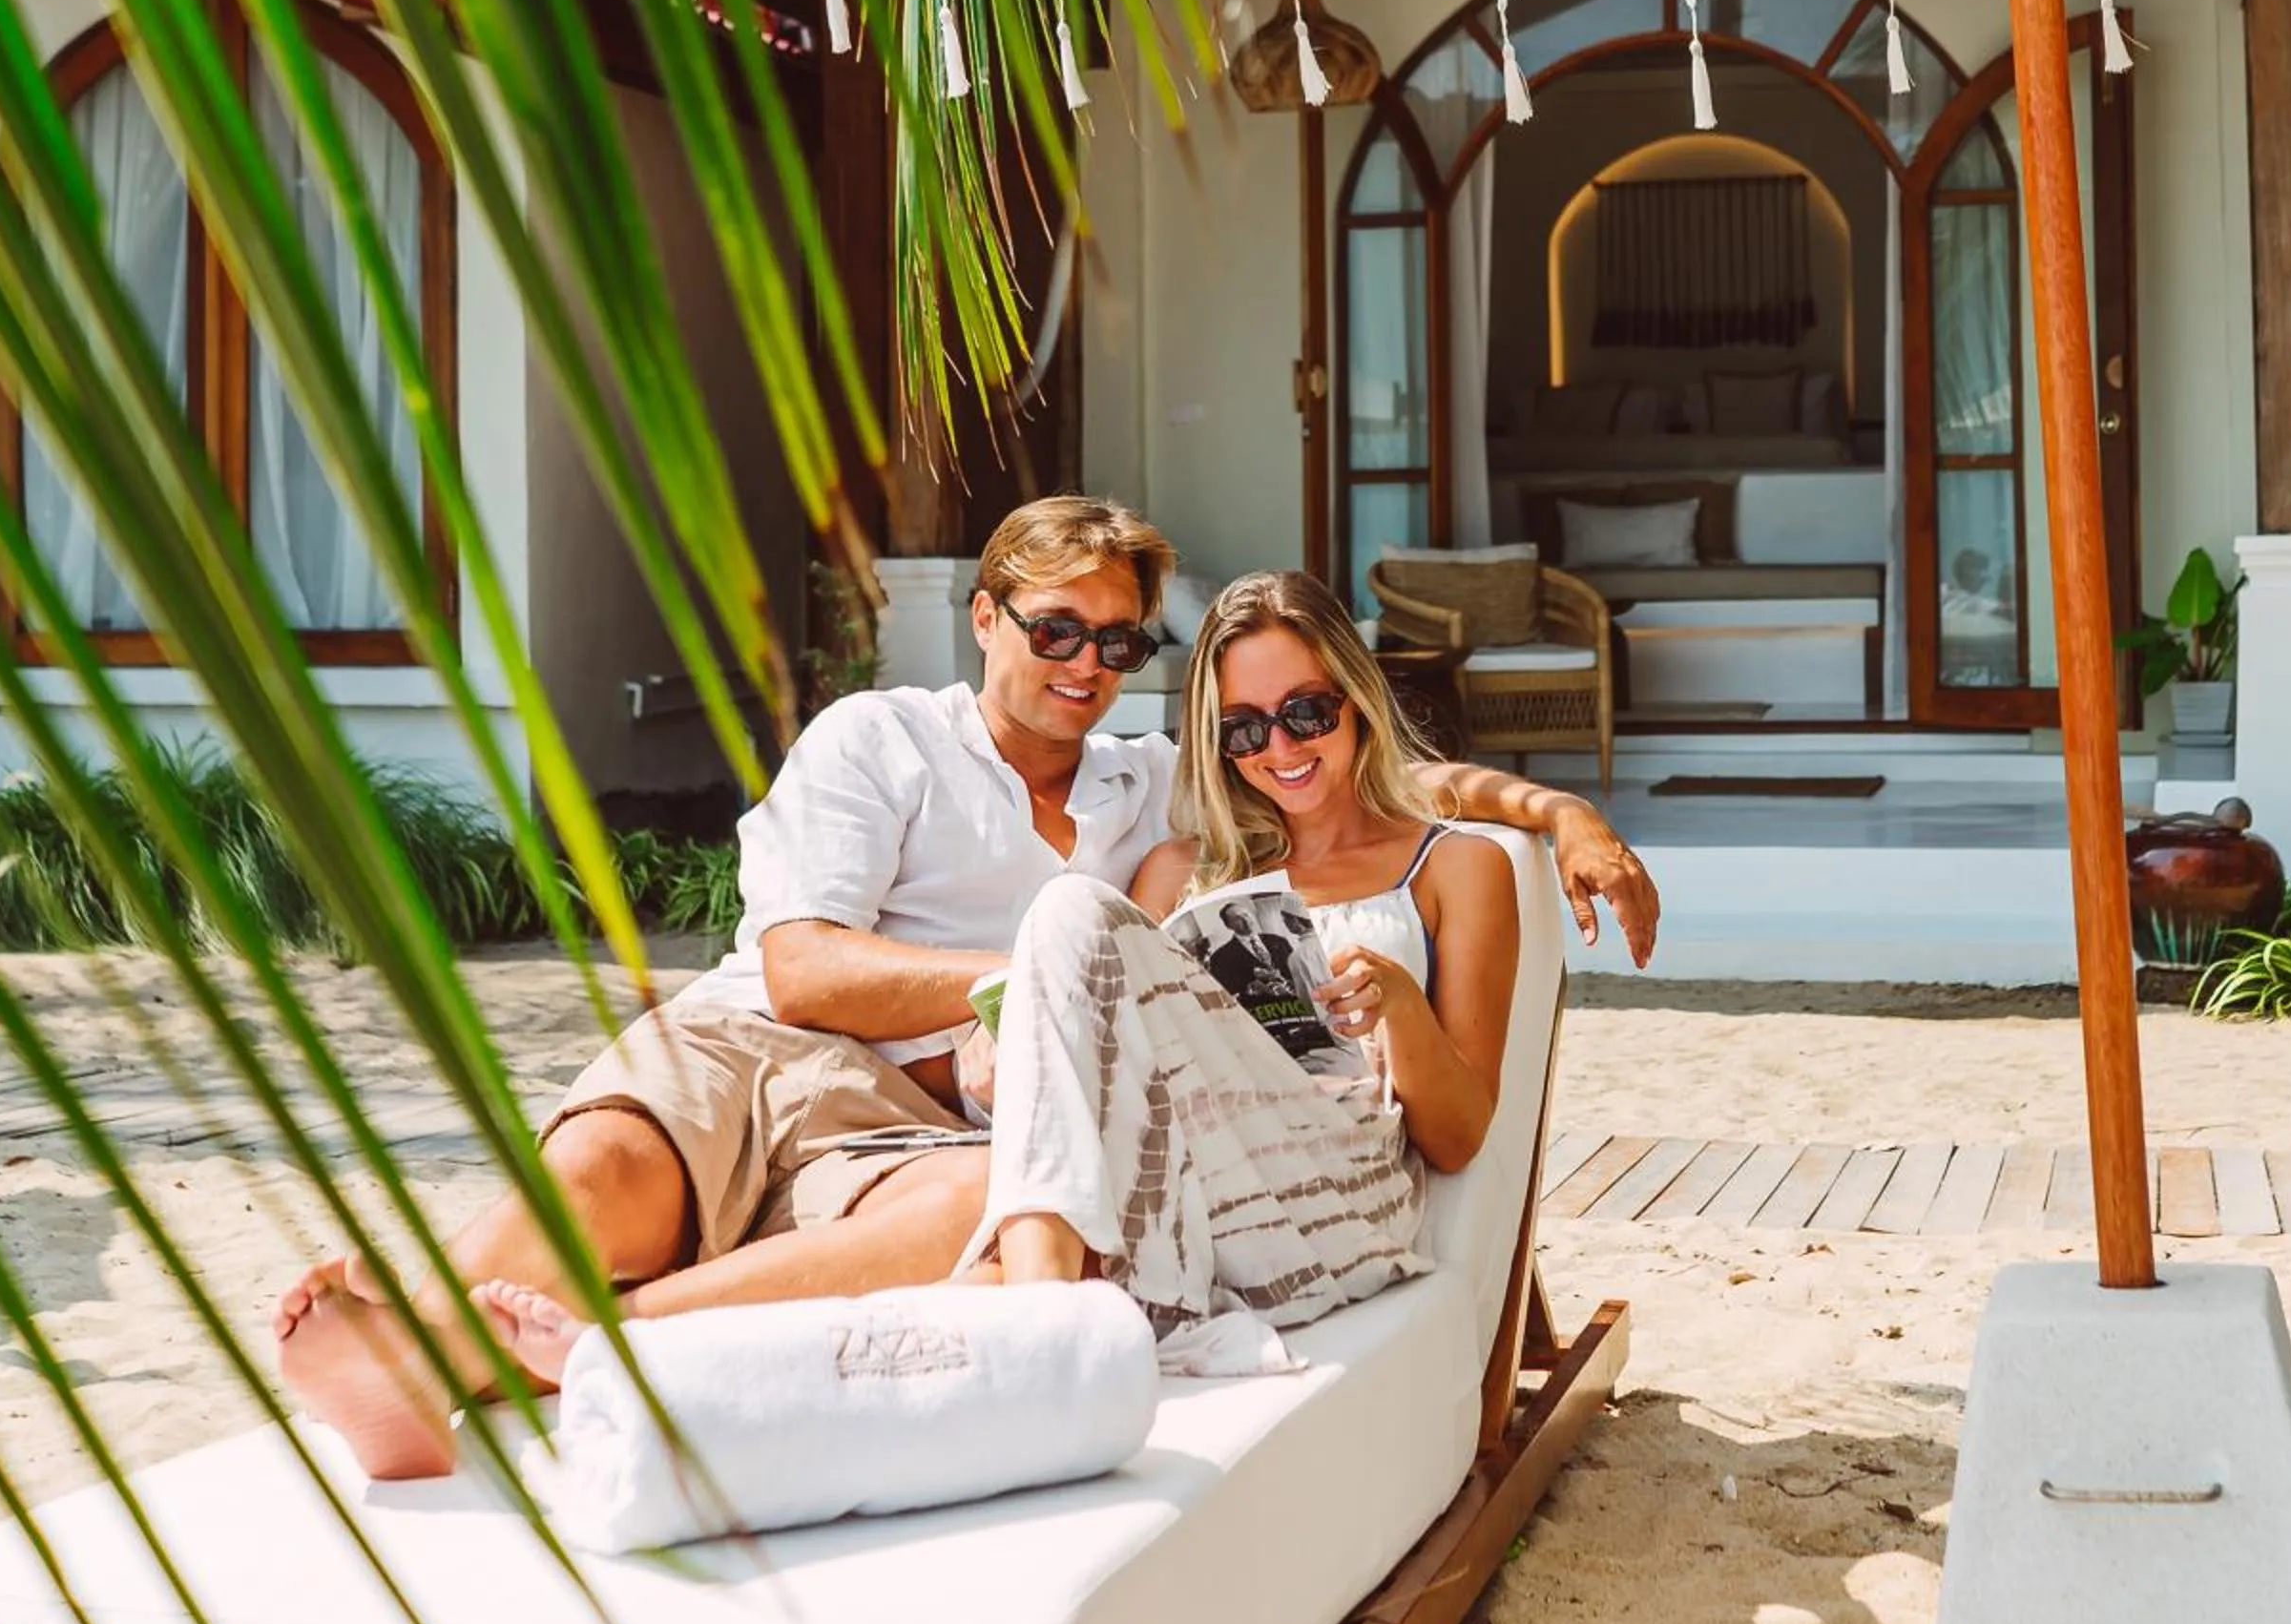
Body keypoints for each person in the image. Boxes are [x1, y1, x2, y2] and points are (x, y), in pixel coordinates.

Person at [276, 499, 1660, 1477]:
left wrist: (1555, 810)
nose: (1086, 667)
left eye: (1118, 646)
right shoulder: (893, 741)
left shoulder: (1149, 797)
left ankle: (565, 1354)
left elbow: (1376, 793)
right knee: (619, 1177)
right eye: (1057, 631)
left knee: (971, 1198)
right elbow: (802, 968)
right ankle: (417, 1342)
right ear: (986, 617)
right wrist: (1039, 990)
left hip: (935, 1116)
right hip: (767, 1046)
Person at [974, 569, 1524, 1338]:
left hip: (1348, 1204)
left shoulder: (1455, 868)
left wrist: (1400, 1006)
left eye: (1307, 712)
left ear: (1357, 700)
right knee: (1069, 912)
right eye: (1244, 728)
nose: (1281, 748)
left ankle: (1037, 1327)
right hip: (1202, 1194)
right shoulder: (1181, 873)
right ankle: (1042, 1330)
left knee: (1074, 912)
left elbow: (1462, 1139)